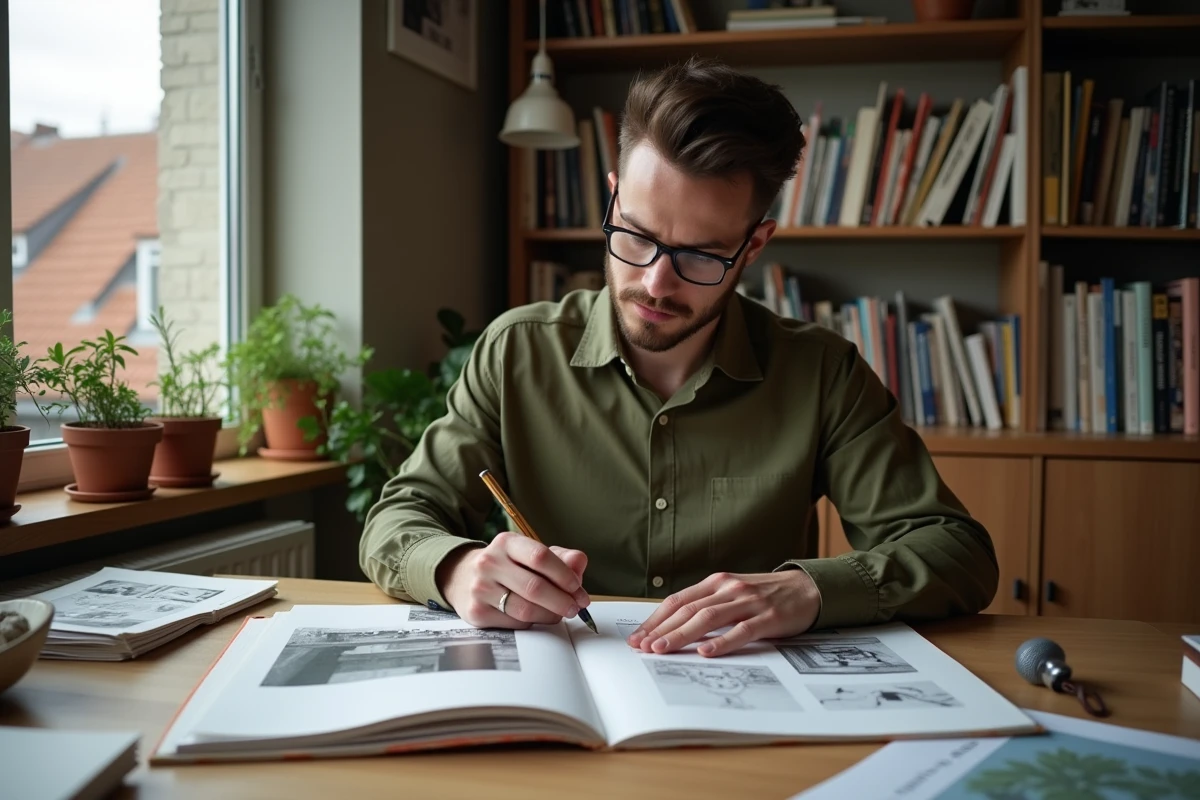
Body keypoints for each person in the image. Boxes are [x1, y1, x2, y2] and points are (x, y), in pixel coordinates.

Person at [359, 56, 998, 659]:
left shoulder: (822, 373)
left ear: (753, 246)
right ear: (613, 199)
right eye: (636, 236)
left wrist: (809, 590)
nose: (656, 283)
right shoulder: (516, 352)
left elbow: (958, 551)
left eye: (700, 255)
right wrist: (458, 567)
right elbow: (398, 518)